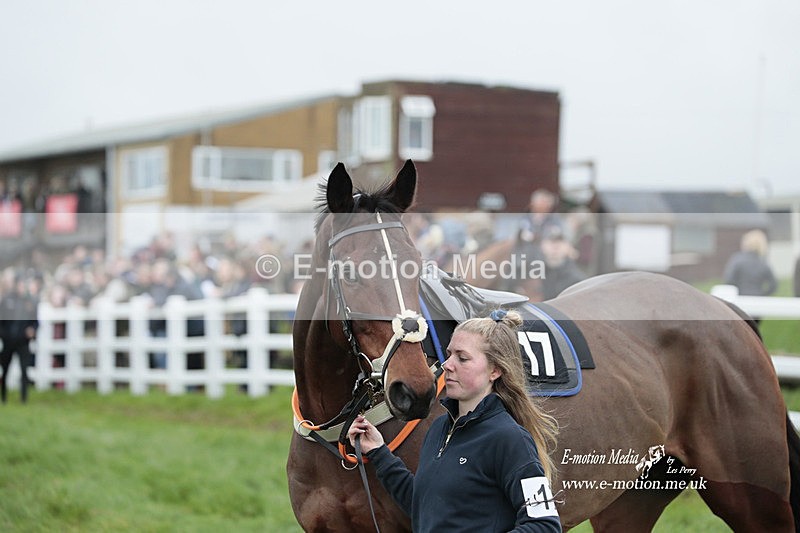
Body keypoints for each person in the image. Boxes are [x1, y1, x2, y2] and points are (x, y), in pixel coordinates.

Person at [348, 310, 561, 532]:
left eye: (462, 358)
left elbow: (544, 524)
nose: (447, 365)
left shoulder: (510, 438)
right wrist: (379, 452)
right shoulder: (439, 428)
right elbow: (425, 509)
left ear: (495, 371)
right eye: (449, 355)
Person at [1, 272, 39, 404]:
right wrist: (5, 336)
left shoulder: (30, 301)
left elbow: (35, 321)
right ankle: (3, 396)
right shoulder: (6, 300)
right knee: (5, 369)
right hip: (8, 341)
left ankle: (24, 398)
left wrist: (32, 330)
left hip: (23, 342)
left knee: (24, 369)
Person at [723, 229, 777, 297]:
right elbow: (773, 285)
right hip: (758, 298)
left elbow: (729, 280)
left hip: (739, 298)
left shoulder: (737, 259)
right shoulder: (763, 263)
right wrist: (763, 294)